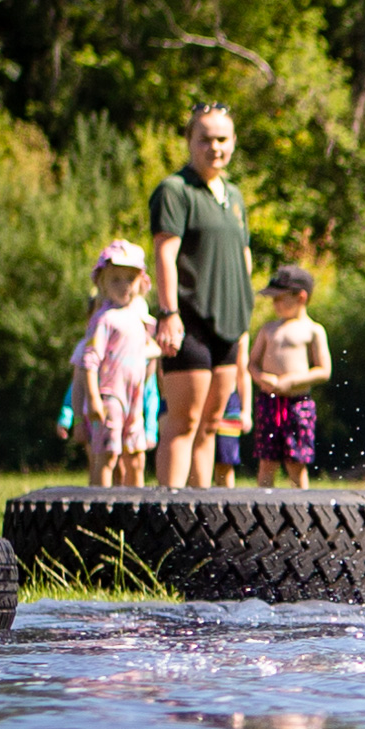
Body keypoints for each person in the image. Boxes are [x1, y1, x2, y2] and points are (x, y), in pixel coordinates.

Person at [150, 102, 253, 488]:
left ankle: (201, 524)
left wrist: (243, 320)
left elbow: (243, 257)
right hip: (188, 321)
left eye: (222, 139)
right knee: (183, 423)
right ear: (189, 141)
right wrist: (168, 313)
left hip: (229, 325)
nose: (215, 147)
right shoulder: (175, 190)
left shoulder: (234, 195)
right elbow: (165, 254)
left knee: (211, 424)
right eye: (205, 139)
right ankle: (168, 520)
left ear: (233, 142)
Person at [75, 241, 161, 487]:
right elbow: (89, 360)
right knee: (107, 454)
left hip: (134, 396)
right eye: (115, 280)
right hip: (110, 396)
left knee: (136, 457)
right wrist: (92, 398)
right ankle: (100, 509)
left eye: (129, 279)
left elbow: (148, 356)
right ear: (102, 282)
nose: (124, 286)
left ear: (140, 282)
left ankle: (137, 511)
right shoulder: (104, 319)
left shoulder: (139, 317)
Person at [247, 266, 329, 488]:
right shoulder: (269, 329)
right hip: (269, 402)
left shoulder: (313, 330)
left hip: (297, 404)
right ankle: (262, 511)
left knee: (296, 461)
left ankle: (302, 512)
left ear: (301, 297)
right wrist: (261, 378)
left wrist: (293, 381)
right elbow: (251, 363)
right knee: (267, 461)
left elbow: (324, 370)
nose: (274, 304)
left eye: (279, 299)